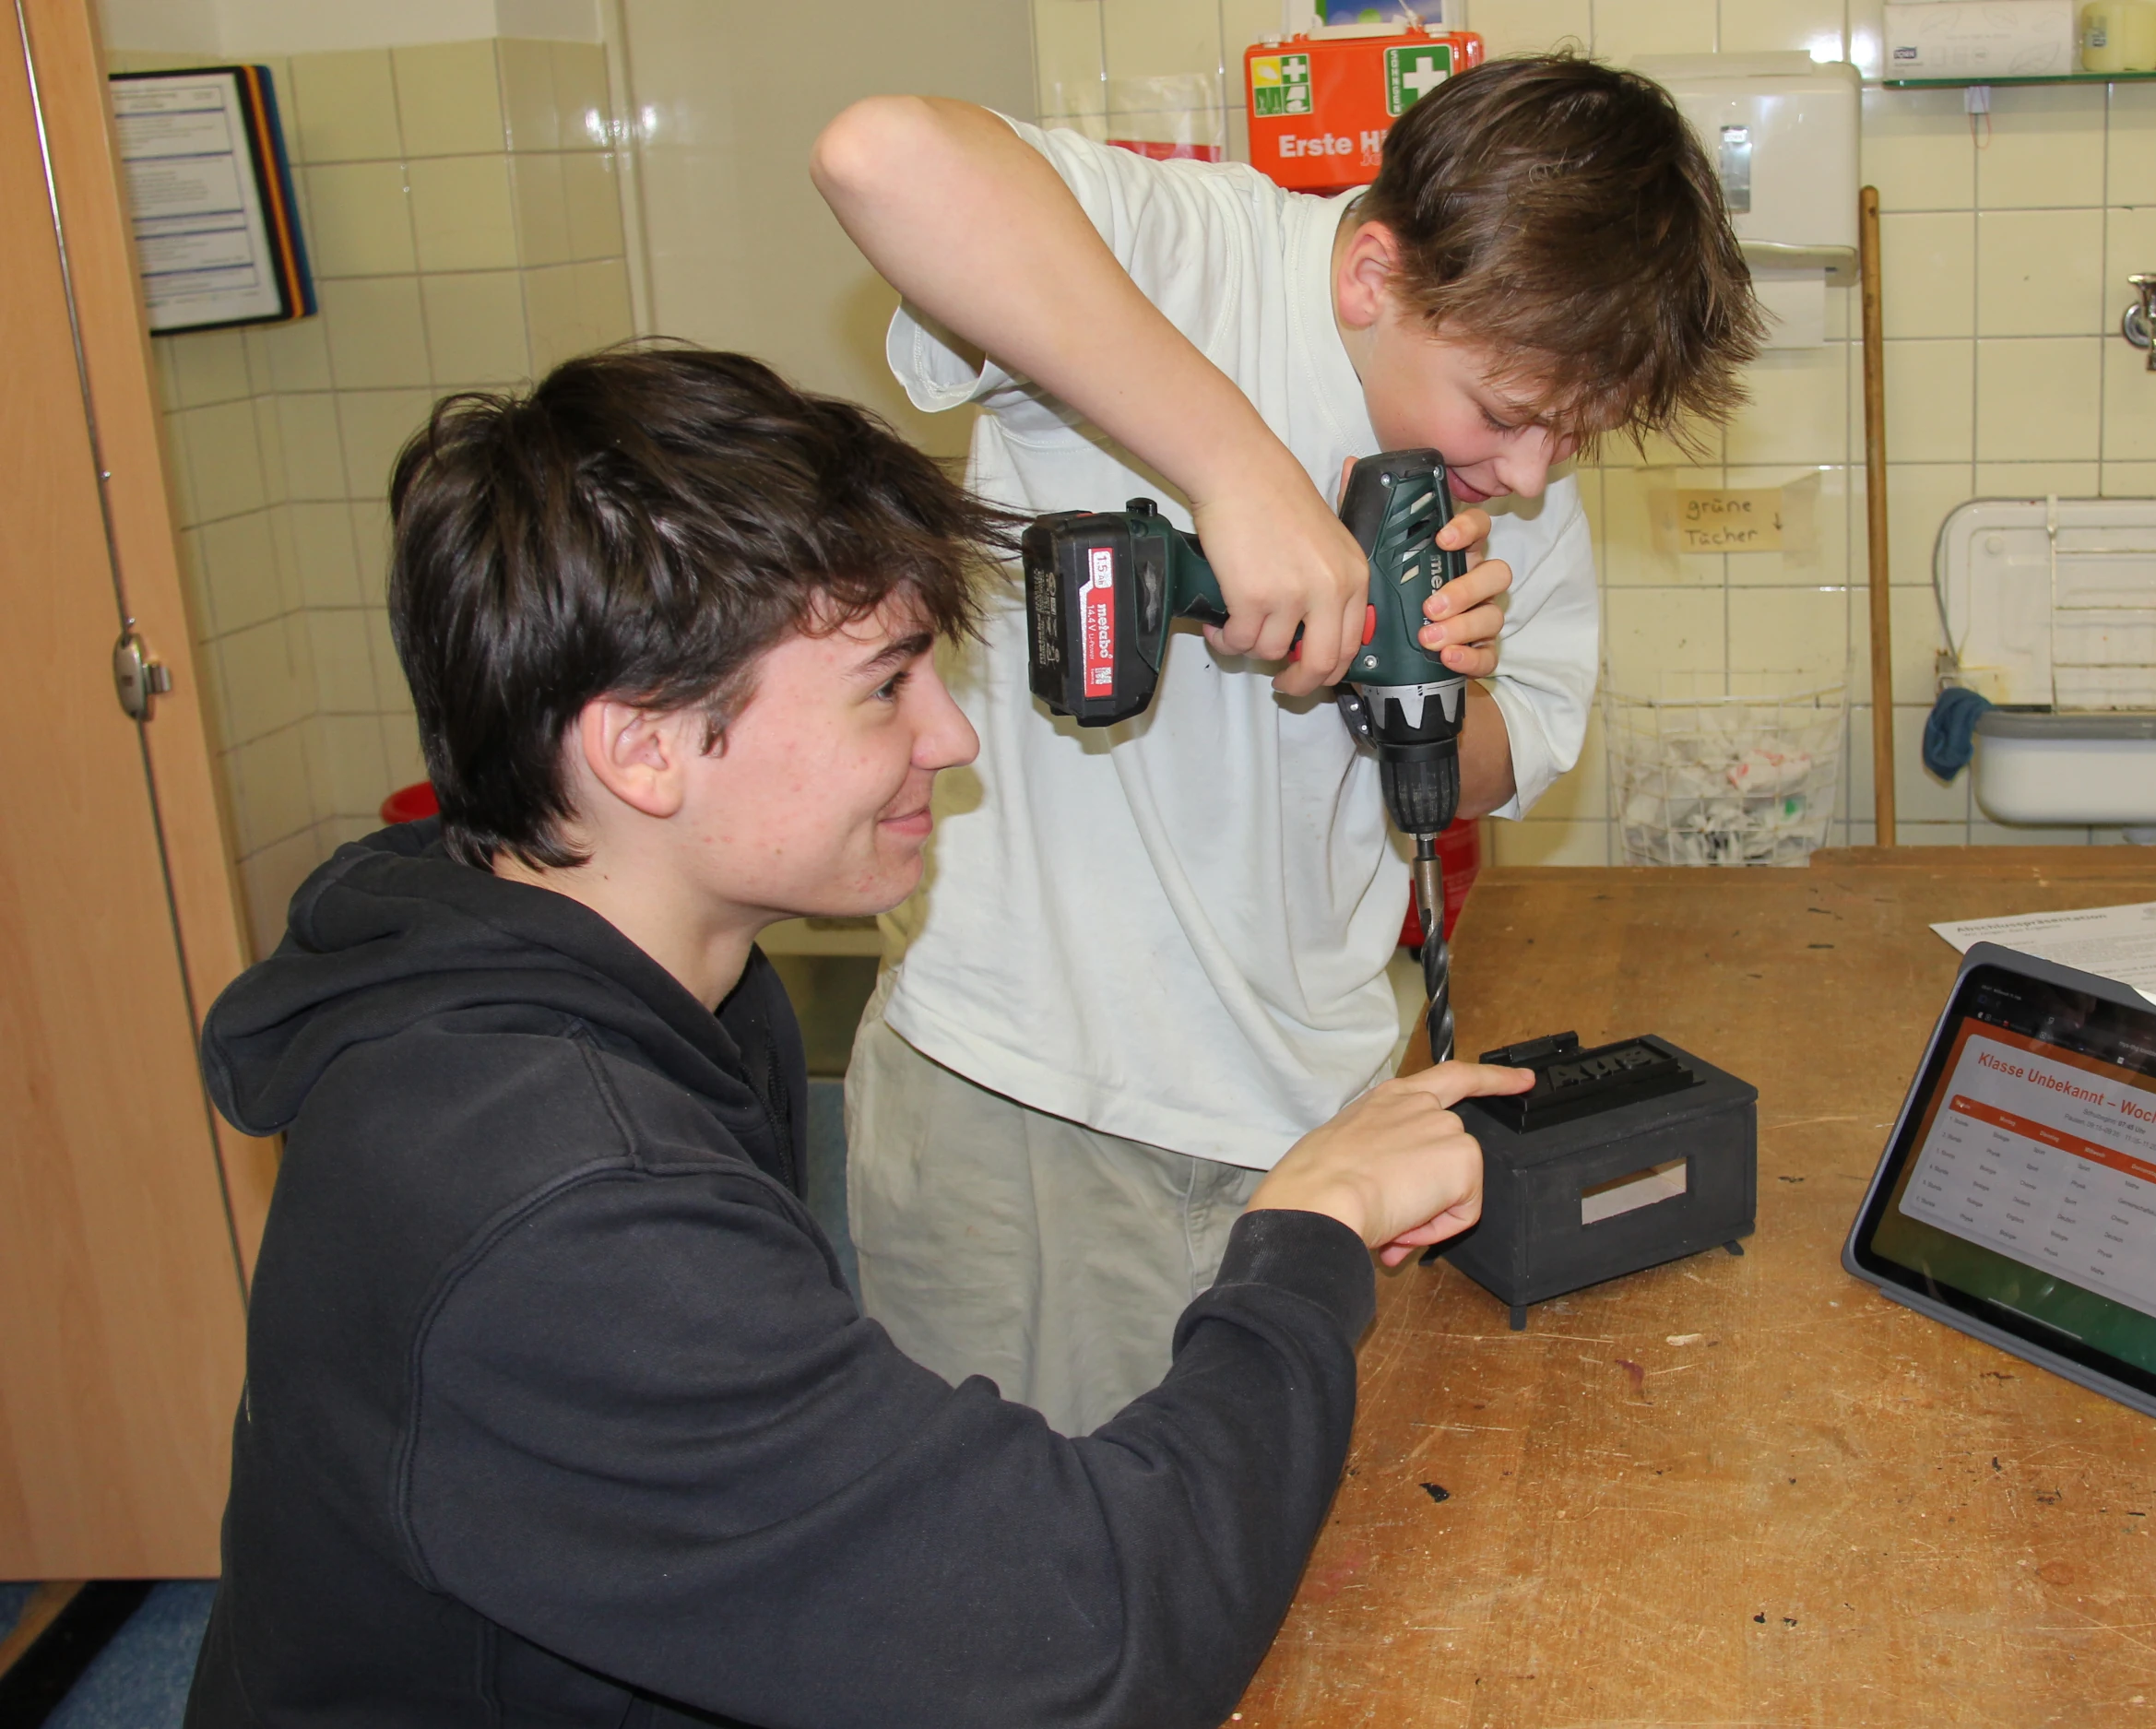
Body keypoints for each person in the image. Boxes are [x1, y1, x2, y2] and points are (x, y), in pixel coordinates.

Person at [184, 346, 1531, 1728]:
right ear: (641, 746)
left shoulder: (652, 985)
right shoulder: (566, 1204)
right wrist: (1305, 1230)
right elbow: (1096, 1639)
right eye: (887, 687)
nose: (953, 737)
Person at [814, 53, 1763, 1431]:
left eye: (1577, 439)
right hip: (1041, 1106)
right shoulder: (1195, 254)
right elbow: (878, 147)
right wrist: (1236, 470)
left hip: (1322, 1115)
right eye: (1503, 417)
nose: (1534, 476)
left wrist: (1427, 688)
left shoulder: (1519, 456)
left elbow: (1521, 742)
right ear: (1373, 274)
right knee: (1036, 1601)